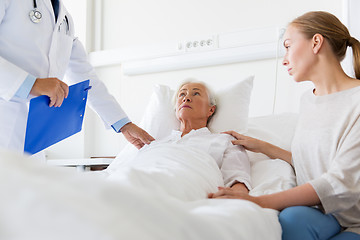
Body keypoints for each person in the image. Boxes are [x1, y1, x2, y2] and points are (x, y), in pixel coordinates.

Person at [208, 11, 360, 239]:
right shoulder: (309, 100)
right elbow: (314, 162)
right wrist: (262, 146)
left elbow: (340, 181)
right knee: (292, 219)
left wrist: (257, 201)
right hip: (329, 214)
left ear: (316, 43)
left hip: (355, 220)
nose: (285, 59)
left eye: (288, 46)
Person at [0, 0, 154, 154]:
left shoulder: (65, 19)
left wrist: (123, 124)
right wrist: (32, 84)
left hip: (35, 133)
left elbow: (85, 77)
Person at [107, 81, 251, 194]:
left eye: (196, 94)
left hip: (182, 185)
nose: (186, 98)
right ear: (176, 108)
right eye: (182, 94)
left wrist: (236, 195)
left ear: (210, 109)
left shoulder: (224, 141)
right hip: (132, 183)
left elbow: (239, 178)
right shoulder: (154, 144)